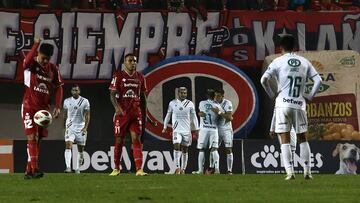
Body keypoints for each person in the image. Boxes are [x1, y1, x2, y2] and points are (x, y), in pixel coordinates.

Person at [260, 35, 322, 180]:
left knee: (285, 138)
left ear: (281, 47)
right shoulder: (304, 61)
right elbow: (318, 80)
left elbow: (263, 80)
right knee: (303, 138)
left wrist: (271, 94)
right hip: (299, 104)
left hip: (283, 104)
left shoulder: (278, 61)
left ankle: (290, 173)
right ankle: (307, 172)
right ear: (295, 47)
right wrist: (310, 96)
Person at [22, 38, 63, 179]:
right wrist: (35, 44)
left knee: (38, 140)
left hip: (44, 111)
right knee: (32, 137)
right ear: (38, 53)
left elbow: (58, 87)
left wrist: (58, 106)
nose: (46, 62)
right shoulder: (31, 64)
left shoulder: (53, 69)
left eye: (48, 59)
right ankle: (35, 168)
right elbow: (25, 62)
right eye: (44, 58)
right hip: (29, 106)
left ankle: (29, 171)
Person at [109, 53, 148, 176]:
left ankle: (139, 169)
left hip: (136, 113)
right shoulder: (119, 76)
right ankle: (116, 168)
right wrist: (117, 108)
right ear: (124, 63)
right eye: (130, 61)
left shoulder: (140, 77)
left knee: (136, 139)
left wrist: (145, 113)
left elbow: (143, 97)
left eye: (135, 61)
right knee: (119, 140)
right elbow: (112, 94)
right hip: (122, 114)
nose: (133, 63)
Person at [162, 87, 199, 174]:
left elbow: (194, 117)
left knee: (185, 149)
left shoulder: (190, 104)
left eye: (185, 93)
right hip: (176, 130)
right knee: (176, 145)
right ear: (178, 93)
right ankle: (177, 168)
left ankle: (183, 169)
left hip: (186, 130)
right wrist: (165, 126)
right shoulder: (172, 103)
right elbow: (168, 115)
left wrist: (197, 129)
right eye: (181, 93)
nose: (183, 94)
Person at [193, 89, 223, 174]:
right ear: (214, 96)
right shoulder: (217, 105)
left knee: (201, 149)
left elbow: (201, 113)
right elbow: (221, 117)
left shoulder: (202, 103)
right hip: (214, 129)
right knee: (214, 149)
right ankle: (217, 169)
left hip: (204, 129)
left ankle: (200, 170)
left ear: (207, 95)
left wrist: (200, 114)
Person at [63, 84, 90, 174]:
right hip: (70, 126)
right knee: (68, 145)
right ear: (71, 91)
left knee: (80, 149)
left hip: (81, 127)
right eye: (73, 90)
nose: (75, 92)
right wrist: (64, 126)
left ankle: (77, 168)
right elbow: (65, 114)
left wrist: (85, 127)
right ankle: (68, 167)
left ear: (79, 91)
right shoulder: (67, 101)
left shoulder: (85, 101)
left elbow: (87, 115)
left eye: (77, 90)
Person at [213, 88, 234, 175]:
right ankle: (216, 169)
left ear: (222, 96)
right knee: (213, 149)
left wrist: (219, 113)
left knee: (228, 149)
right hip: (216, 130)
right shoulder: (212, 103)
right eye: (215, 96)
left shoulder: (227, 103)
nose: (216, 98)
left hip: (226, 130)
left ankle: (229, 170)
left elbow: (229, 118)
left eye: (218, 96)